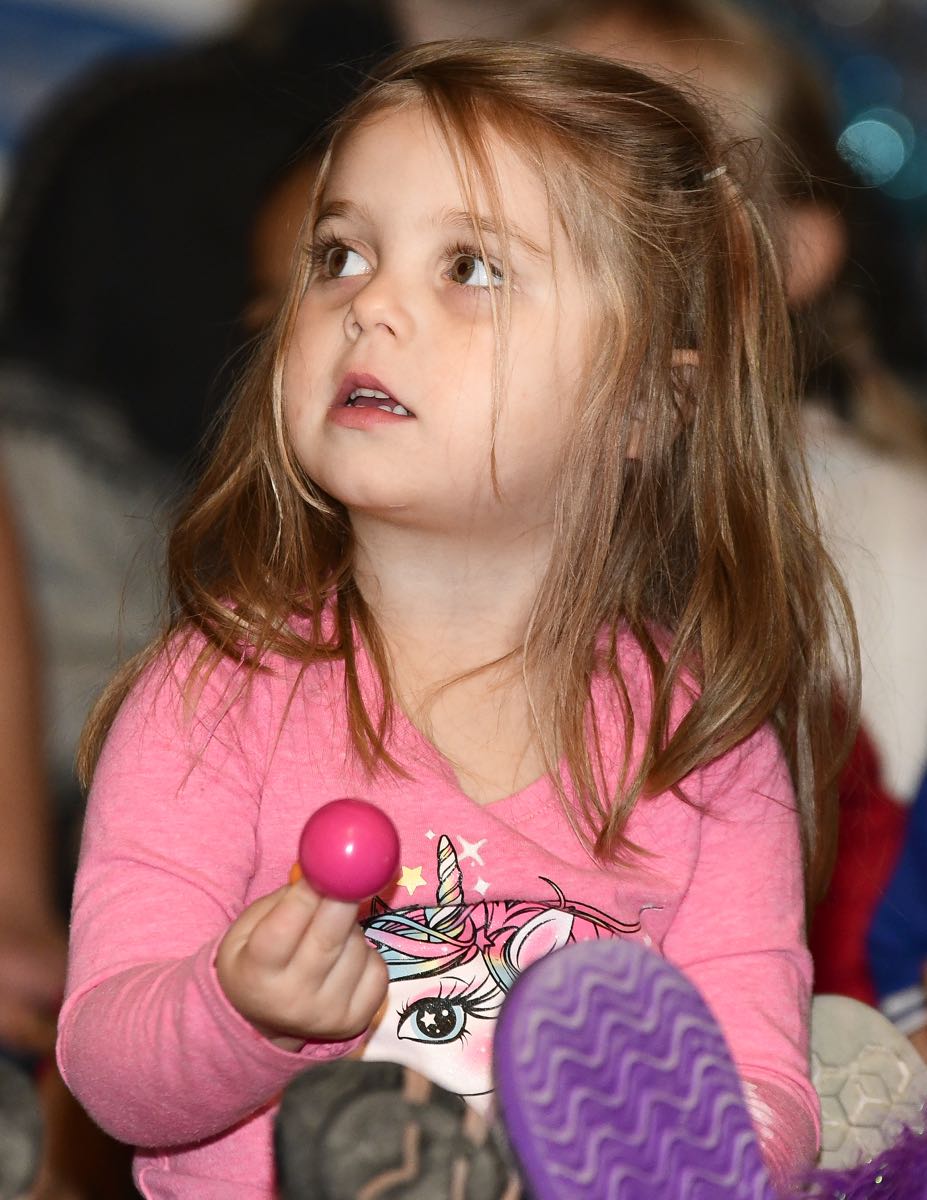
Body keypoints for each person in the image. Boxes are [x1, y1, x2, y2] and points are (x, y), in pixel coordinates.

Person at [58, 38, 859, 1198]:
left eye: (470, 267)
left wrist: (697, 1155)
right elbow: (107, 1069)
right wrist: (239, 1008)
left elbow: (762, 1087)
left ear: (647, 402)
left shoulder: (703, 748)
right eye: (339, 256)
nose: (369, 305)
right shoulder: (215, 692)